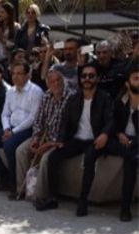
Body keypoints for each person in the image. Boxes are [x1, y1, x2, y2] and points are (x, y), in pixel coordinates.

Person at [47, 62, 114, 217]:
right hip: (77, 140)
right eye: (84, 76)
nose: (87, 79)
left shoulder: (105, 98)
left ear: (97, 78)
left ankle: (82, 201)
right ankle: (52, 196)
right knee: (53, 157)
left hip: (94, 140)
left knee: (89, 158)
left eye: (91, 76)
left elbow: (111, 120)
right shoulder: (74, 99)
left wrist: (104, 134)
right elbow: (65, 121)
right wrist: (60, 140)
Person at [13, 67, 73, 207]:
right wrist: (35, 138)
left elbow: (68, 129)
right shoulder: (47, 96)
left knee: (46, 158)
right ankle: (22, 190)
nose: (56, 84)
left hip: (58, 141)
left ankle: (40, 195)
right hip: (43, 136)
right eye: (52, 81)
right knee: (21, 150)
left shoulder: (71, 98)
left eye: (58, 80)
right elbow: (39, 121)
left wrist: (50, 144)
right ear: (47, 83)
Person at [0, 61, 43, 197]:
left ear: (28, 75)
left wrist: (13, 132)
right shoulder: (11, 91)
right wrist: (7, 129)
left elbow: (33, 118)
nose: (15, 77)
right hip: (10, 128)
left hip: (26, 129)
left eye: (19, 74)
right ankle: (4, 175)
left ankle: (15, 185)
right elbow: (5, 114)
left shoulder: (36, 91)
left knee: (9, 145)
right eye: (13, 74)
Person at [107, 66, 139, 221]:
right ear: (128, 84)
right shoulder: (121, 100)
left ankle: (125, 209)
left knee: (130, 163)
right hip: (121, 140)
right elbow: (112, 122)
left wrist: (133, 142)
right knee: (131, 157)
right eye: (136, 79)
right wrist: (119, 134)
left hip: (136, 142)